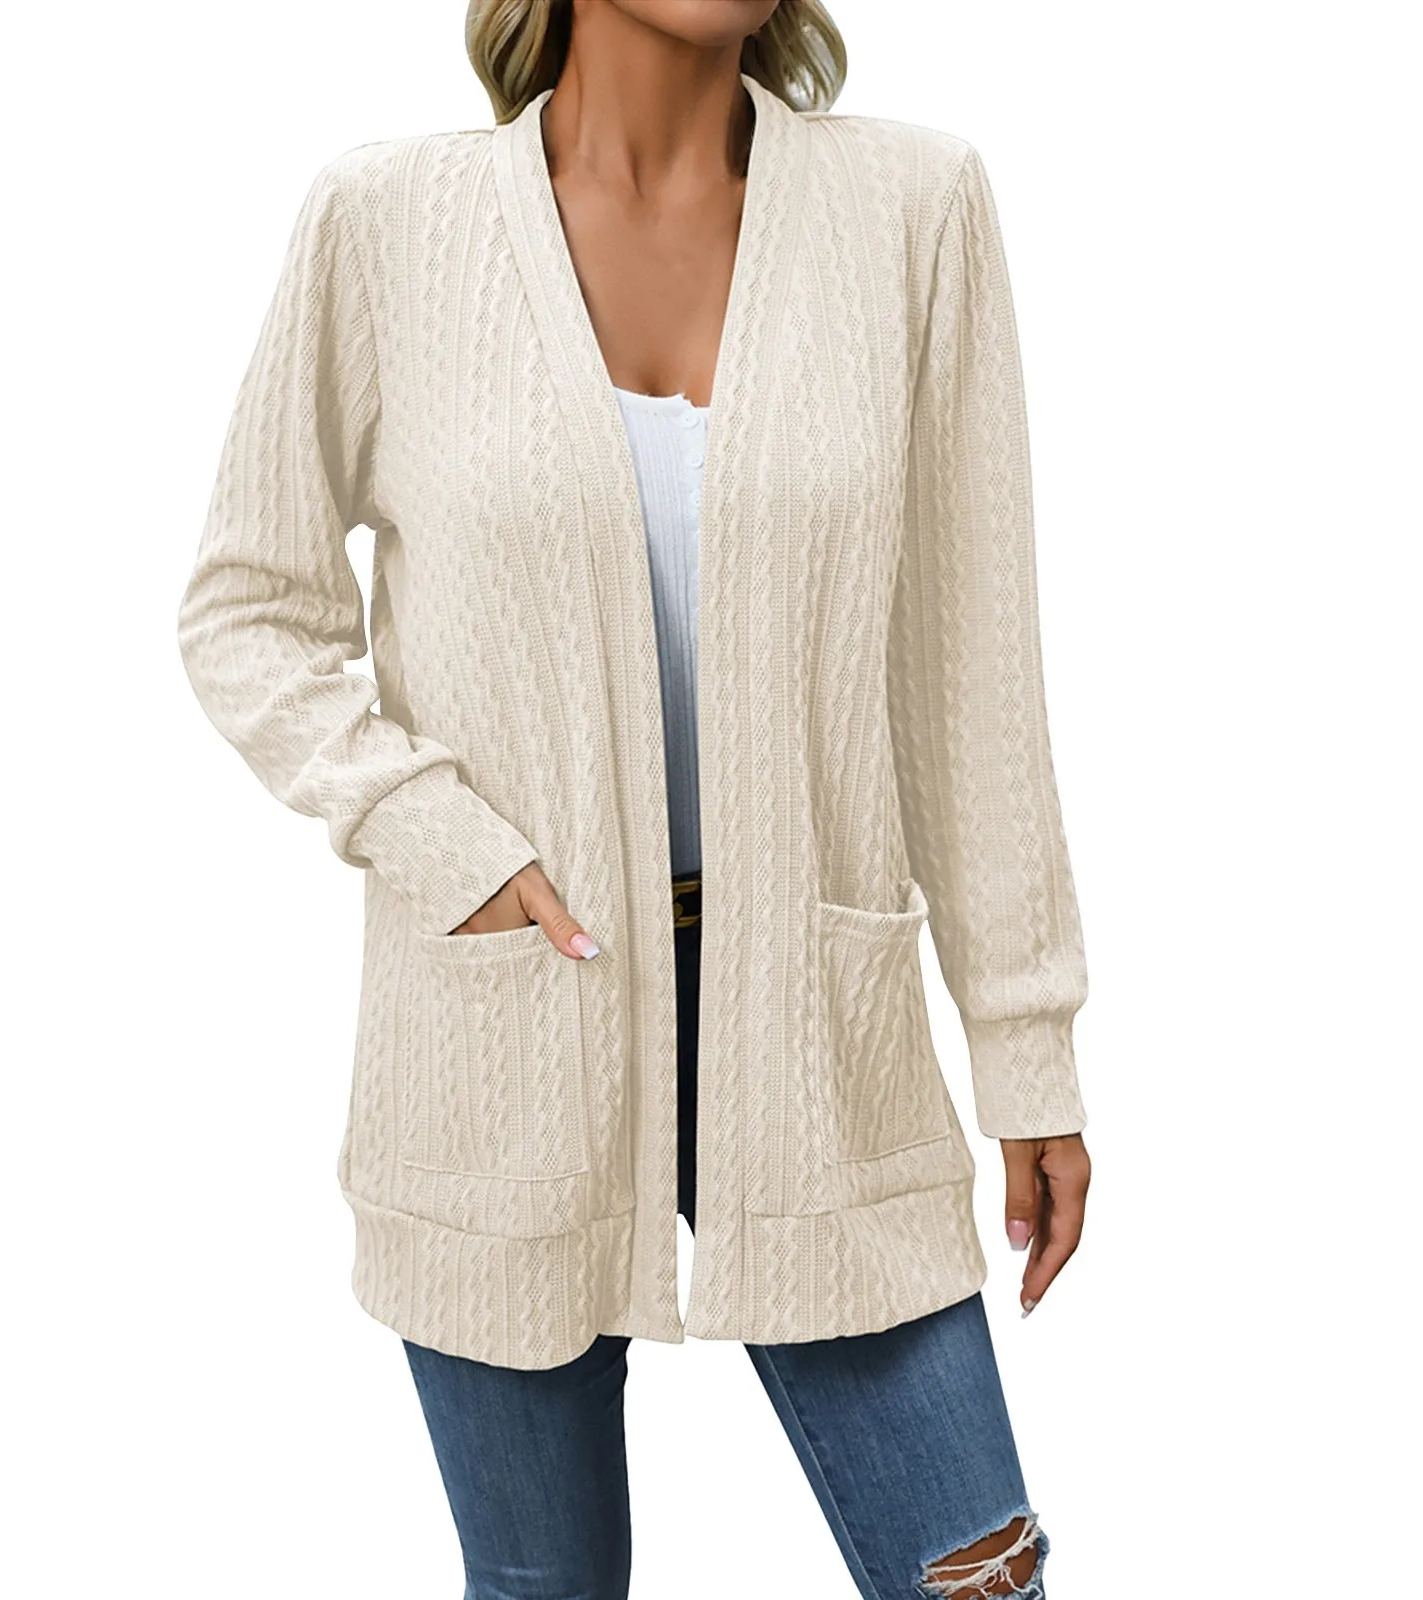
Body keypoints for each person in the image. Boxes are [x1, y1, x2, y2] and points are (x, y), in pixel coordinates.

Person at [176, 1, 1093, 1594]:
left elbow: (971, 672)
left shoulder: (914, 209)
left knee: (976, 1575)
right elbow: (248, 607)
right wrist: (445, 842)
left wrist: (1026, 1044)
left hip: (817, 1025)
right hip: (502, 1033)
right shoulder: (387, 223)